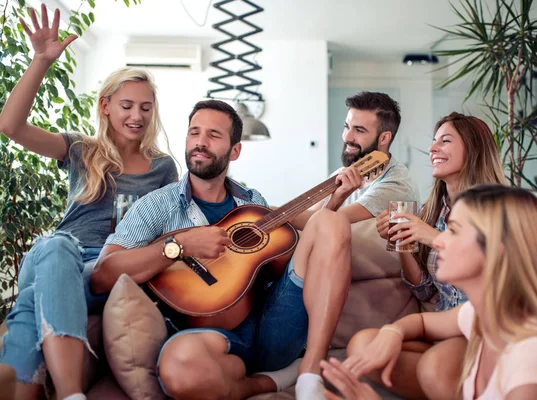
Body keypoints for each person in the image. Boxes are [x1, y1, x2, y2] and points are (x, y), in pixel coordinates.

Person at [90, 99, 364, 400]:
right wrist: (179, 246)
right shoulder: (156, 205)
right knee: (178, 371)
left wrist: (335, 200)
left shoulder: (252, 204)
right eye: (194, 133)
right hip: (207, 336)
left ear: (235, 150)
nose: (200, 142)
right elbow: (103, 275)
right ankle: (274, 380)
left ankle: (310, 374)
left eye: (213, 135)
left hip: (274, 324)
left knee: (332, 221)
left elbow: (316, 238)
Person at [0, 5, 177, 400]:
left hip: (111, 266)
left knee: (29, 305)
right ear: (106, 106)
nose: (137, 115)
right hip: (59, 253)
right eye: (127, 105)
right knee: (57, 246)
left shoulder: (163, 168)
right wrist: (41, 62)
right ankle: (70, 394)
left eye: (145, 108)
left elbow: (170, 227)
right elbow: (10, 126)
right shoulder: (81, 149)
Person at [322, 184, 537, 400]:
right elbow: (422, 321)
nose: (438, 240)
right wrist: (392, 333)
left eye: (453, 231)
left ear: (494, 252)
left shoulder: (535, 362)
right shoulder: (479, 315)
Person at [351, 112, 507, 399]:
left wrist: (432, 237)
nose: (432, 149)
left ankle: (450, 379)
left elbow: (504, 274)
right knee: (362, 344)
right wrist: (404, 242)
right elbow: (424, 292)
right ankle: (453, 384)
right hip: (445, 327)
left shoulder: (501, 207)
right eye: (433, 142)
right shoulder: (434, 211)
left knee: (433, 367)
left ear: (473, 149)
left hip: (483, 330)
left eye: (444, 141)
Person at [293, 91, 418, 230]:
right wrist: (269, 211)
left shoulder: (396, 185)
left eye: (359, 130)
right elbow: (310, 216)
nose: (347, 137)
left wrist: (337, 199)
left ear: (384, 138)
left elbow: (321, 226)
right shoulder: (344, 172)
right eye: (347, 127)